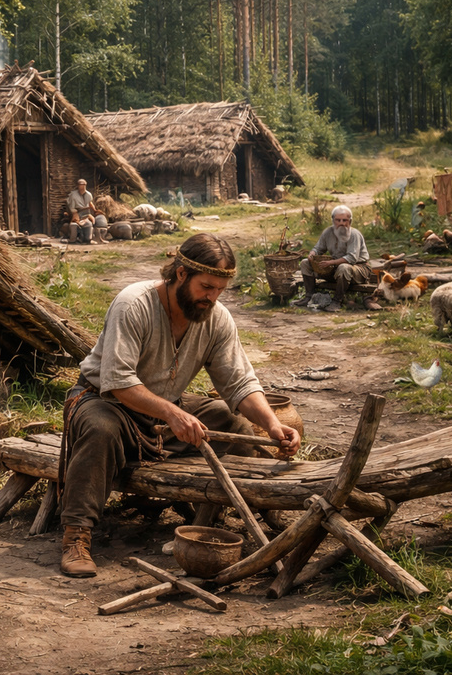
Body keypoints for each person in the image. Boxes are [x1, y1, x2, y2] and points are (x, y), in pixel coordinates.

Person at [58, 233, 301, 578]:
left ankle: (268, 507)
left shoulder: (216, 318)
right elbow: (117, 380)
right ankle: (76, 535)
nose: (212, 298)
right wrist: (173, 413)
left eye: (219, 290)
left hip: (163, 407)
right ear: (180, 273)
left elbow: (239, 383)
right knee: (101, 430)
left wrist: (273, 425)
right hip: (104, 400)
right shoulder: (134, 304)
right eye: (206, 287)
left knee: (228, 422)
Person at [293, 205, 381, 312]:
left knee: (344, 267)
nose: (341, 223)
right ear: (333, 221)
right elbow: (318, 248)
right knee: (305, 263)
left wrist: (331, 262)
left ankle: (337, 301)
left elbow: (352, 258)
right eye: (338, 220)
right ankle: (309, 296)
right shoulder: (328, 232)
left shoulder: (354, 234)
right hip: (335, 268)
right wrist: (312, 253)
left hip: (359, 269)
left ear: (350, 221)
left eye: (345, 220)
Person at [65, 179, 109, 244]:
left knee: (89, 223)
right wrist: (76, 216)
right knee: (74, 225)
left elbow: (90, 203)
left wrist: (94, 210)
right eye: (81, 185)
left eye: (84, 185)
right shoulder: (73, 195)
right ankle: (72, 239)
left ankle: (89, 239)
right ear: (78, 186)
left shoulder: (88, 194)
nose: (82, 187)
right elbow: (72, 208)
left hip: (86, 214)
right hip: (77, 213)